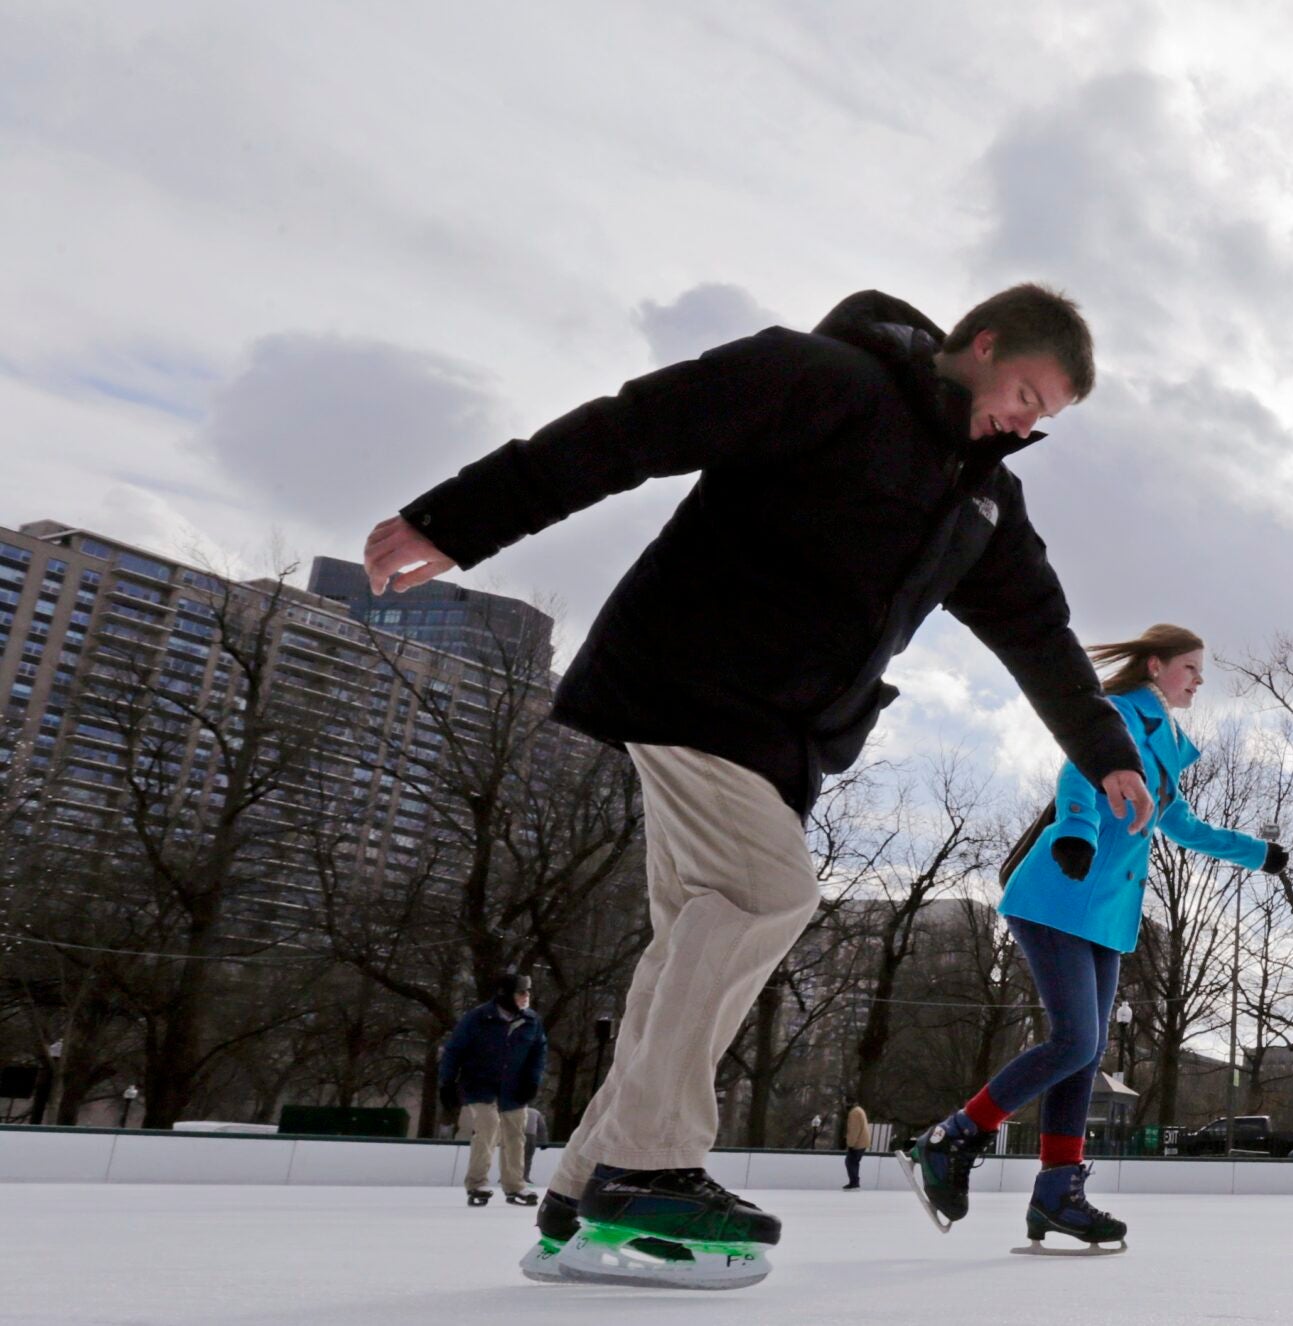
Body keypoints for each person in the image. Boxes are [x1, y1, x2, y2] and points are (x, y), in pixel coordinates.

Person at [369, 285, 1155, 1290]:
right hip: (688, 680)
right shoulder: (828, 379)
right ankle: (646, 1168)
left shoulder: (983, 497)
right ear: (982, 344)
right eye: (1024, 392)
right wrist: (463, 518)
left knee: (692, 946)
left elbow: (1037, 632)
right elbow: (633, 427)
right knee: (762, 895)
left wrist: (1104, 750)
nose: (1026, 421)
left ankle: (575, 1193)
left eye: (1047, 416)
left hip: (782, 742)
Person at [909, 627, 1283, 1251]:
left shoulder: (1161, 743)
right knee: (1076, 1039)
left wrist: (1260, 854)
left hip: (1103, 916)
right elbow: (1082, 772)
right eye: (1190, 668)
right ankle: (952, 1138)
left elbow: (1183, 825)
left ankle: (1057, 1192)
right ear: (1157, 666)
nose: (1198, 681)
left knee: (1083, 1052)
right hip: (1061, 891)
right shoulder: (1115, 717)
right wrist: (1076, 832)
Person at [439, 973, 546, 1209]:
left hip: (514, 1088)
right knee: (487, 1129)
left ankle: (515, 1186)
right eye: (522, 992)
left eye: (528, 992)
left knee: (515, 1136)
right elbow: (454, 1050)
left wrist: (532, 1081)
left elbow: (538, 1052)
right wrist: (447, 1082)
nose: (527, 996)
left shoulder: (531, 1021)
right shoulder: (478, 1018)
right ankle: (477, 1184)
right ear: (505, 994)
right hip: (480, 1085)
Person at [842, 1101, 870, 1190]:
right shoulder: (859, 1110)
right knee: (853, 1162)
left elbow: (854, 1130)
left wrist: (850, 1144)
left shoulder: (854, 1113)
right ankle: (854, 1182)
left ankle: (854, 1183)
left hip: (858, 1143)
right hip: (863, 1141)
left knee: (850, 1162)